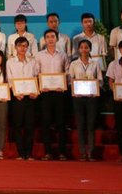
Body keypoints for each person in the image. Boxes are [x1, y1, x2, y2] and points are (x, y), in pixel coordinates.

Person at [35, 28, 70, 160]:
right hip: (45, 94)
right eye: (48, 37)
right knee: (46, 123)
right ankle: (48, 152)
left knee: (61, 123)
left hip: (60, 93)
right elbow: (36, 73)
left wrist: (64, 85)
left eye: (52, 36)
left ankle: (62, 153)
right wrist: (40, 86)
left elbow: (67, 72)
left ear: (57, 39)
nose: (50, 39)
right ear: (44, 40)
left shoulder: (63, 55)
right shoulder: (39, 55)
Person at [68, 39, 103, 161]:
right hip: (78, 98)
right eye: (82, 47)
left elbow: (100, 80)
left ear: (90, 49)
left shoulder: (95, 63)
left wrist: (95, 89)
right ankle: (82, 152)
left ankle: (91, 152)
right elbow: (70, 80)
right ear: (78, 49)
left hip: (91, 98)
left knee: (91, 124)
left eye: (86, 47)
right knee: (80, 124)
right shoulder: (74, 64)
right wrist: (74, 90)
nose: (84, 49)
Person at [6, 36, 39, 160]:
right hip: (17, 97)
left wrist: (36, 91)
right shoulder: (10, 62)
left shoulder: (33, 61)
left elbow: (36, 77)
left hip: (30, 97)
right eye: (20, 46)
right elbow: (9, 80)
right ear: (15, 47)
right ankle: (20, 153)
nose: (22, 48)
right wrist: (15, 92)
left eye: (25, 46)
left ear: (27, 47)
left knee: (30, 126)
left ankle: (29, 153)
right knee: (17, 126)